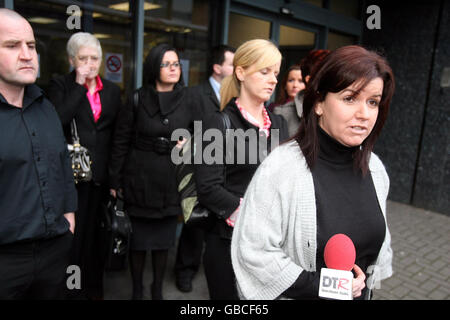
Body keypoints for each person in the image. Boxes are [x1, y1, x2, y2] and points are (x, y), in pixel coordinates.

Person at [231, 45, 395, 300]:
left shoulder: (375, 169)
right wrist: (334, 287)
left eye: (373, 102)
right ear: (319, 102)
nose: (364, 114)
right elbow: (254, 253)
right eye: (350, 98)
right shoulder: (281, 169)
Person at [195, 39, 289, 300]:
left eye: (276, 73)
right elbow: (208, 188)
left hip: (270, 246)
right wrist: (254, 217)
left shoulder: (279, 122)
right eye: (264, 71)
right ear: (240, 73)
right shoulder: (218, 122)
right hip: (228, 244)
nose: (273, 80)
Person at [0, 9, 77, 299]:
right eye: (12, 46)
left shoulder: (45, 106)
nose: (27, 54)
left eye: (31, 46)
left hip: (52, 254)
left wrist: (69, 217)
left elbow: (60, 164)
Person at [109, 43, 194, 300]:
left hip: (171, 182)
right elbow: (120, 140)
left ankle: (157, 290)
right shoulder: (137, 98)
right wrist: (115, 179)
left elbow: (203, 135)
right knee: (138, 242)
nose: (173, 68)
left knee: (162, 243)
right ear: (153, 67)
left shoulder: (189, 99)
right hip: (138, 180)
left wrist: (190, 143)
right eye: (166, 64)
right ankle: (137, 289)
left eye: (176, 63)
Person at [47, 32, 122, 300]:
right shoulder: (60, 85)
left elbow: (117, 138)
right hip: (71, 179)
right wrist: (79, 86)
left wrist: (115, 181)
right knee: (72, 241)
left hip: (100, 178)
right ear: (71, 59)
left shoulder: (112, 91)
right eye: (83, 58)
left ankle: (93, 291)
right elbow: (56, 123)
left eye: (95, 58)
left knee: (96, 240)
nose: (90, 64)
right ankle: (70, 292)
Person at [174, 44, 235, 293]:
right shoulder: (194, 94)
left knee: (219, 226)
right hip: (201, 167)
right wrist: (188, 141)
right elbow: (181, 127)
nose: (236, 69)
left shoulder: (235, 94)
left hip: (228, 168)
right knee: (195, 225)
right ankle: (185, 271)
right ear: (218, 67)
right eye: (232, 63)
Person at [273, 50, 330, 137]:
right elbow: (275, 147)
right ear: (309, 79)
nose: (295, 85)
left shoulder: (342, 110)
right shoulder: (282, 113)